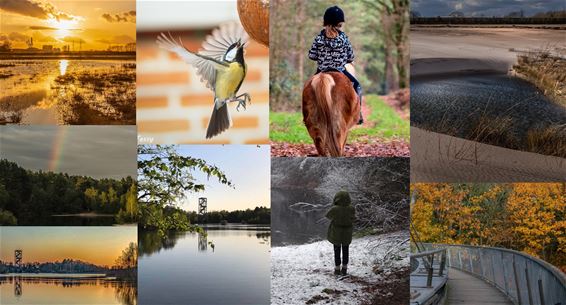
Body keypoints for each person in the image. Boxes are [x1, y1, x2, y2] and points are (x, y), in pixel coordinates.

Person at [308, 5, 363, 125]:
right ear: (339, 23)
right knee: (358, 87)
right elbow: (350, 57)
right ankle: (359, 115)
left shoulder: (319, 38)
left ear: (325, 21)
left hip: (321, 71)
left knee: (309, 89)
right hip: (340, 71)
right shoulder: (343, 38)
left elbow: (311, 56)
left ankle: (309, 115)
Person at [325, 190, 355, 275]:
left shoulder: (334, 209)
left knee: (337, 250)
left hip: (336, 232)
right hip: (347, 232)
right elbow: (353, 218)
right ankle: (345, 268)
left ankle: (337, 268)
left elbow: (328, 216)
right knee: (346, 250)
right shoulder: (351, 208)